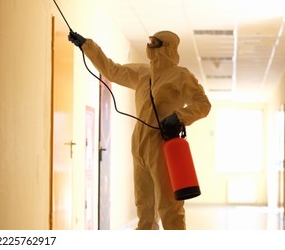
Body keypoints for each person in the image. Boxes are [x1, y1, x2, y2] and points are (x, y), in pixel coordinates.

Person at [68, 30, 211, 230]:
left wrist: (179, 117)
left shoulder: (181, 76)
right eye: (150, 41)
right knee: (144, 208)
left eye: (157, 42)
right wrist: (87, 46)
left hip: (163, 147)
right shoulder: (143, 73)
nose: (151, 45)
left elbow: (203, 104)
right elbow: (112, 70)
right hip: (139, 146)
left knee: (170, 207)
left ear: (168, 47)